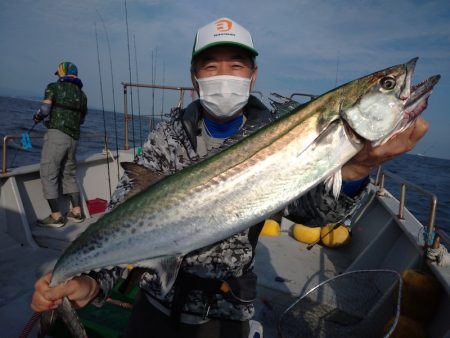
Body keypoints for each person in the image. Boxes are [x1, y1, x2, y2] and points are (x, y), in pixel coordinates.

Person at [31, 18, 428, 337]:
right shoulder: (166, 136)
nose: (225, 75)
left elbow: (312, 214)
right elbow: (125, 223)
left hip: (226, 308)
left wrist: (357, 168)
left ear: (253, 76)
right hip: (154, 303)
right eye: (211, 65)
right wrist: (90, 283)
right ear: (195, 77)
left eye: (236, 65)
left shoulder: (277, 131)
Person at [34, 61, 88, 227]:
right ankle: (76, 212)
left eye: (58, 74)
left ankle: (56, 217)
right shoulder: (82, 95)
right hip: (74, 139)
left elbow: (44, 111)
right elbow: (82, 120)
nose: (58, 77)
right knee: (68, 173)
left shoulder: (54, 87)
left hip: (57, 135)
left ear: (62, 74)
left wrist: (37, 117)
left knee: (48, 172)